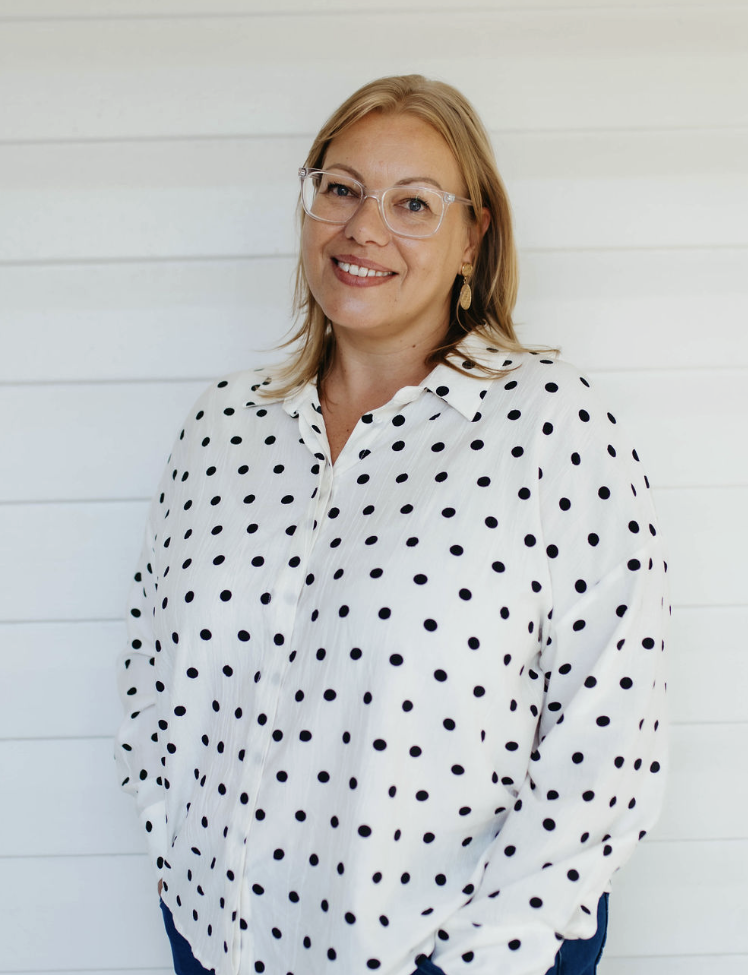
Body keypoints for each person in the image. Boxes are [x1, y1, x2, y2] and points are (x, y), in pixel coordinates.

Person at [116, 74, 668, 975]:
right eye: (340, 190)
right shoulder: (223, 426)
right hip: (219, 944)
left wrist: (481, 957)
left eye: (413, 203)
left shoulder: (551, 428)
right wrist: (175, 857)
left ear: (472, 236)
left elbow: (608, 737)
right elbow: (149, 663)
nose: (364, 230)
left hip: (453, 959)